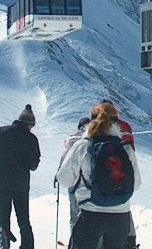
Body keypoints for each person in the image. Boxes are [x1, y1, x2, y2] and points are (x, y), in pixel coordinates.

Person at [57, 101, 141, 249]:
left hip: (91, 215)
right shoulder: (125, 148)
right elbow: (136, 184)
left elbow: (64, 179)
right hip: (121, 218)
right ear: (116, 122)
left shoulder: (83, 146)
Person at [0, 104, 41, 249]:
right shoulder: (31, 139)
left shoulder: (1, 132)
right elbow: (33, 165)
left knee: (3, 214)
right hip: (21, 184)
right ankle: (27, 246)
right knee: (23, 218)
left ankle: (5, 243)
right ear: (29, 124)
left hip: (3, 182)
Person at [101, 99, 138, 249]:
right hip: (124, 176)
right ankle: (129, 239)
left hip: (104, 174)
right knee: (123, 206)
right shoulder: (126, 127)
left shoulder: (99, 126)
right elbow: (132, 150)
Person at [57, 116, 91, 229]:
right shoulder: (90, 141)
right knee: (87, 214)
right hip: (86, 183)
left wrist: (58, 174)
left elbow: (64, 159)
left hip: (71, 181)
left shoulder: (70, 141)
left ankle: (73, 240)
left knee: (74, 214)